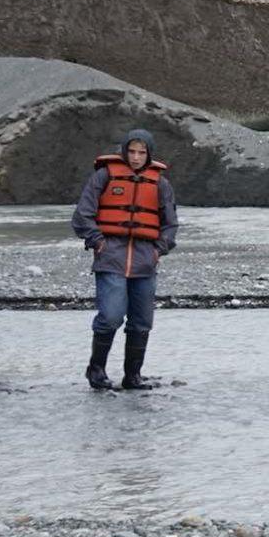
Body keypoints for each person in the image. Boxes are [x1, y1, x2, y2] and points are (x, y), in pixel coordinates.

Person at [71, 128, 178, 392]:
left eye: (142, 152)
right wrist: (99, 242)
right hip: (111, 258)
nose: (136, 157)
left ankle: (133, 377)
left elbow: (170, 224)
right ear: (124, 151)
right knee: (110, 317)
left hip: (145, 261)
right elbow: (82, 216)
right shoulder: (103, 176)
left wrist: (158, 250)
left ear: (149, 154)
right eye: (132, 151)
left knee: (142, 322)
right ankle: (96, 370)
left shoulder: (161, 184)